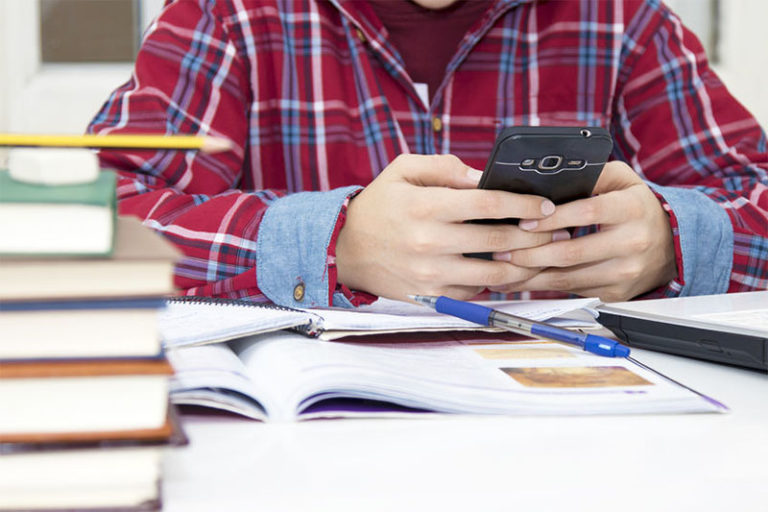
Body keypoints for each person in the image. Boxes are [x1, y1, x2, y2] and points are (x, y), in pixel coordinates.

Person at [88, 0, 768, 309]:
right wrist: (331, 245)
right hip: (304, 454)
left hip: (581, 450)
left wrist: (674, 242)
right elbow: (94, 220)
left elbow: (756, 196)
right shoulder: (226, 14)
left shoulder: (625, 20)